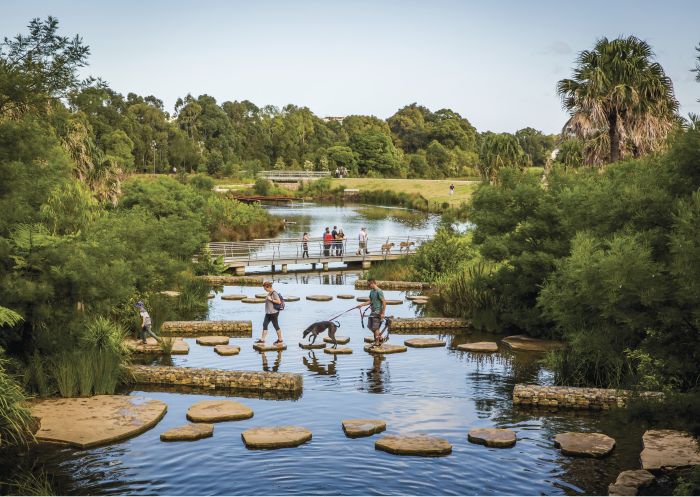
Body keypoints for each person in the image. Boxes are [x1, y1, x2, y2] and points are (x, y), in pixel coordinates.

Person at [355, 279, 386, 348]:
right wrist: (361, 305)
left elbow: (384, 302)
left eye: (369, 284)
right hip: (372, 312)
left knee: (375, 328)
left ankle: (377, 342)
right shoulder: (372, 291)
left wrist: (383, 313)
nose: (368, 286)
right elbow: (370, 301)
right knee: (369, 326)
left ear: (372, 283)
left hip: (378, 312)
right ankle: (380, 338)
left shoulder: (379, 291)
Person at [255, 281, 283, 346]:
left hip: (273, 313)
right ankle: (262, 340)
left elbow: (279, 302)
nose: (264, 289)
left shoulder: (274, 293)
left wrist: (271, 299)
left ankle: (280, 339)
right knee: (265, 324)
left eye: (265, 288)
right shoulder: (269, 293)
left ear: (268, 287)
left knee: (276, 325)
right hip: (268, 313)